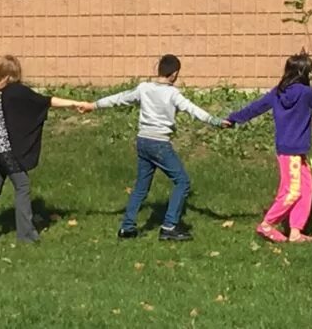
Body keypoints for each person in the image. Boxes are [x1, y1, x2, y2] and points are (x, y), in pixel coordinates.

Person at [0, 56, 90, 243]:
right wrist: (75, 103)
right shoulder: (18, 91)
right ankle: (26, 234)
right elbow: (46, 101)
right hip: (7, 149)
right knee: (22, 186)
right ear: (17, 73)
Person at [83, 54, 225, 242]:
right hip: (159, 144)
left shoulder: (144, 88)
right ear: (174, 74)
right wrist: (215, 121)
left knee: (141, 187)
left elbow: (120, 98)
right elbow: (193, 109)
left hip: (143, 141)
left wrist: (93, 105)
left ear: (158, 70)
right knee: (182, 182)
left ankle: (127, 228)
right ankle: (169, 226)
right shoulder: (172, 93)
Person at [224, 53, 312, 243]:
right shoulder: (305, 93)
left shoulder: (277, 92)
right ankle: (267, 224)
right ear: (303, 72)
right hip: (291, 151)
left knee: (307, 188)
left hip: (292, 150)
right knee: (293, 190)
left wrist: (234, 118)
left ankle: (295, 231)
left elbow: (255, 108)